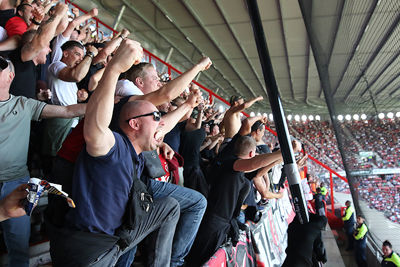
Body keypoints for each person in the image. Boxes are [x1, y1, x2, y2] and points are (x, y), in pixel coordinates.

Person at [0, 54, 86, 267]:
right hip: (16, 183)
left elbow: (68, 110)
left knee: (18, 246)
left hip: (16, 183)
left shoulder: (24, 104)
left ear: (10, 76)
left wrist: (105, 101)